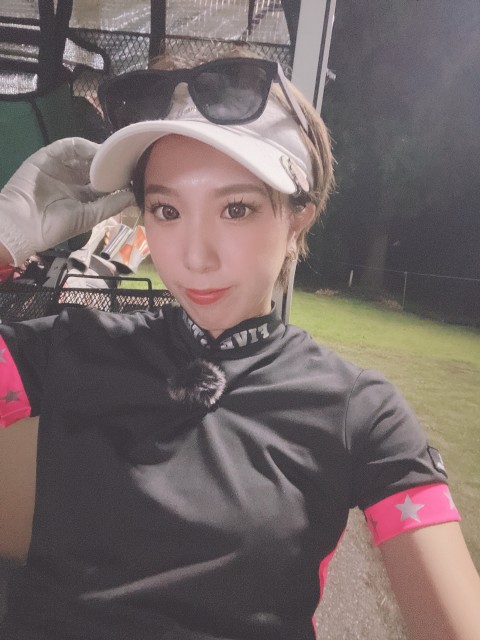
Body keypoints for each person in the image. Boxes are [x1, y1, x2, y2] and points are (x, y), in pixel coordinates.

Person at [0, 53, 479, 640]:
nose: (195, 256)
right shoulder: (75, 346)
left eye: (236, 209)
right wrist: (3, 240)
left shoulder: (357, 412)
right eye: (167, 210)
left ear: (298, 218)